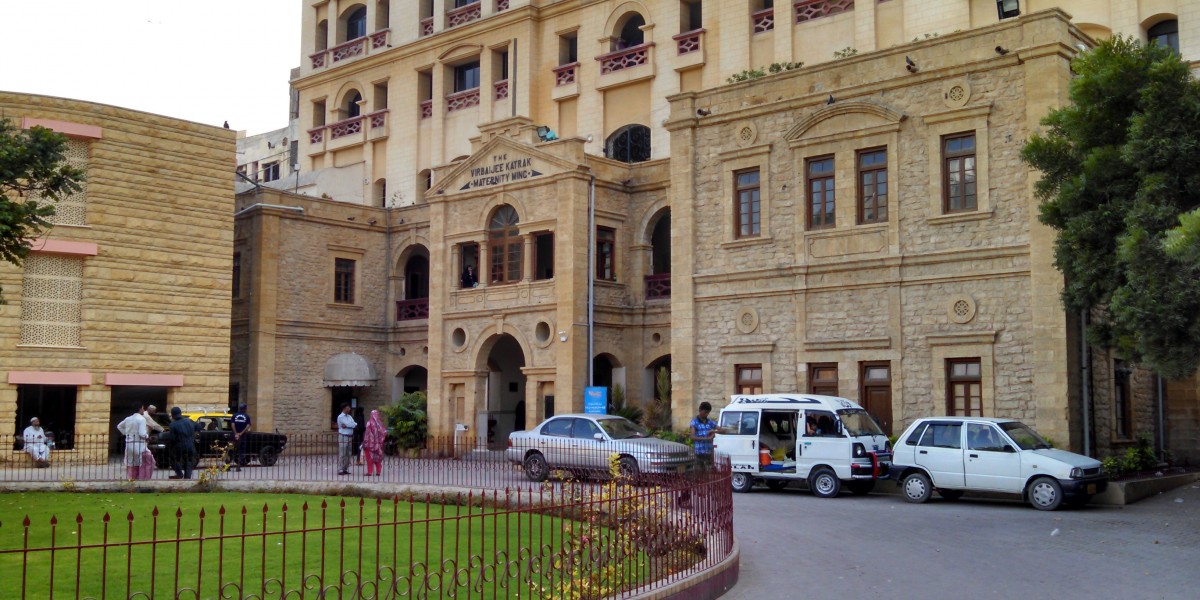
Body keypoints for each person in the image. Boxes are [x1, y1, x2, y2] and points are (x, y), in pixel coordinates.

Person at [117, 406, 155, 480]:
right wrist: (147, 437)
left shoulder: (128, 419)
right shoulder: (141, 419)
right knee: (149, 462)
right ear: (140, 409)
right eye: (143, 408)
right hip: (139, 445)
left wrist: (127, 434)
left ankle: (132, 479)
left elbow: (119, 426)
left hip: (129, 445)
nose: (143, 410)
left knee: (132, 464)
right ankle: (143, 479)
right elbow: (142, 433)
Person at [167, 407, 198, 480]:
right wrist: (194, 435)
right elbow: (198, 427)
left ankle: (179, 474)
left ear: (172, 415)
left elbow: (172, 438)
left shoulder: (172, 425)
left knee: (173, 459)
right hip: (190, 445)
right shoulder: (190, 421)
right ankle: (187, 477)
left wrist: (170, 447)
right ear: (181, 413)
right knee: (189, 461)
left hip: (179, 446)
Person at [689, 401, 718, 467]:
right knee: (699, 473)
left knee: (708, 474)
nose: (707, 414)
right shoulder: (694, 422)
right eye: (705, 412)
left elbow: (722, 430)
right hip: (699, 453)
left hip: (708, 452)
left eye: (708, 413)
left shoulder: (710, 422)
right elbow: (692, 437)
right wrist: (707, 438)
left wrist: (713, 432)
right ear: (700, 410)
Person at [362, 409, 387, 477]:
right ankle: (378, 472)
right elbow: (384, 433)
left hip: (370, 444)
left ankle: (370, 472)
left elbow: (367, 434)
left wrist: (366, 442)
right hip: (379, 445)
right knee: (378, 458)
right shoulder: (380, 423)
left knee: (369, 458)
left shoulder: (369, 423)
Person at [336, 403, 357, 475]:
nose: (349, 409)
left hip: (350, 436)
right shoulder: (340, 417)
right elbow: (345, 425)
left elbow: (354, 424)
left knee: (349, 453)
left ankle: (345, 468)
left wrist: (348, 425)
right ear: (344, 408)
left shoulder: (350, 416)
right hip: (343, 436)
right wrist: (349, 425)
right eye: (348, 408)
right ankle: (340, 469)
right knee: (342, 453)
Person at [231, 403, 252, 472]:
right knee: (241, 451)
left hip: (234, 436)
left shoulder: (234, 415)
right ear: (245, 409)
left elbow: (232, 424)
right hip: (242, 436)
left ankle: (227, 466)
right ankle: (238, 466)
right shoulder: (247, 416)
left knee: (231, 450)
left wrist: (236, 433)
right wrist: (241, 433)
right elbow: (248, 426)